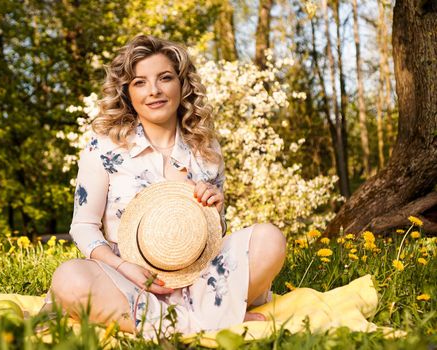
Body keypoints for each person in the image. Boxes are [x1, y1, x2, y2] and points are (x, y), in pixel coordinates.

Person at [49, 34, 286, 336]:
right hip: (128, 282)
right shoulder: (104, 147)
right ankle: (209, 320)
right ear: (127, 93)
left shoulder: (206, 148)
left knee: (270, 238)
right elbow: (83, 227)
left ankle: (179, 321)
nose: (154, 91)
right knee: (69, 277)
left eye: (165, 78)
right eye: (140, 82)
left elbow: (214, 236)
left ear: (182, 84)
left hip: (199, 279)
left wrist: (216, 206)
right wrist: (125, 269)